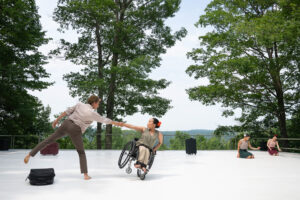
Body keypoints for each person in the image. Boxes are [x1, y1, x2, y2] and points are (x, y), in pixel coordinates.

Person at [24, 95, 122, 180]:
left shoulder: (79, 104)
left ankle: (30, 154)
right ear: (94, 103)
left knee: (48, 140)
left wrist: (56, 120)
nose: (98, 105)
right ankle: (85, 175)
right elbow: (104, 120)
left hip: (66, 123)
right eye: (98, 103)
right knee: (81, 152)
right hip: (75, 129)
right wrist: (117, 123)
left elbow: (66, 112)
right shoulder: (92, 113)